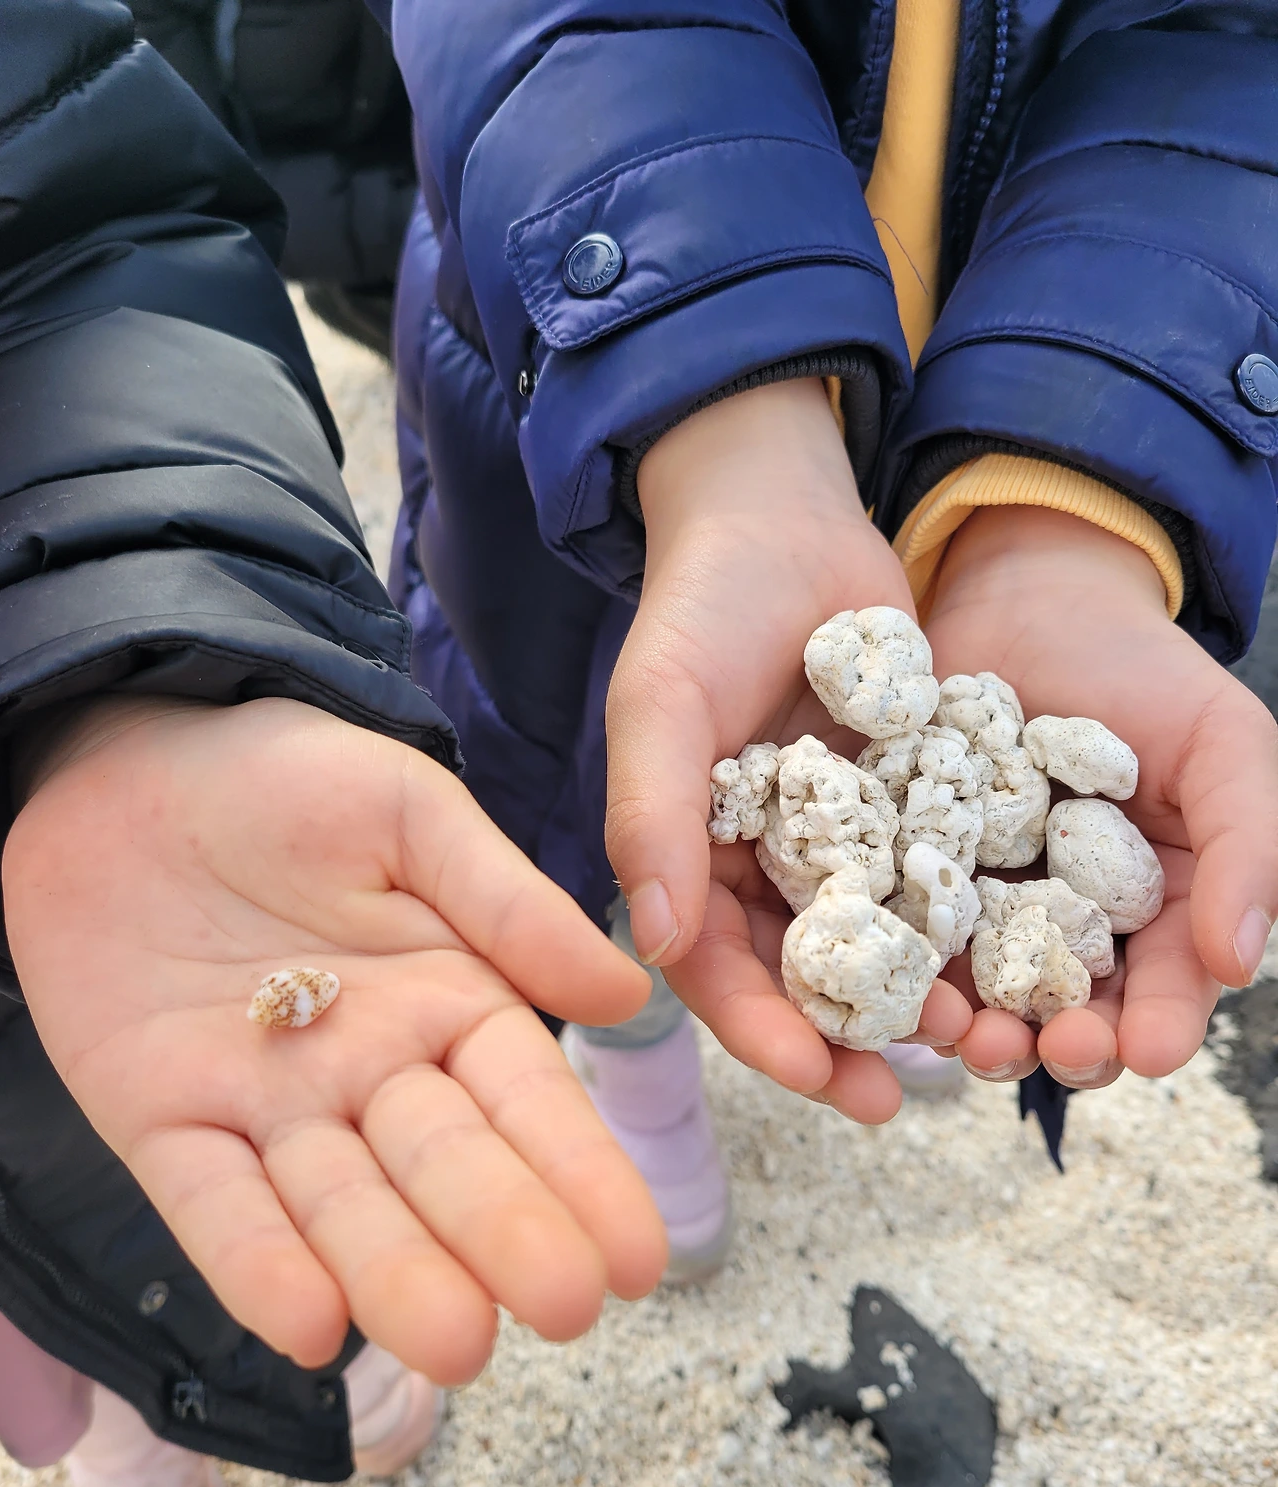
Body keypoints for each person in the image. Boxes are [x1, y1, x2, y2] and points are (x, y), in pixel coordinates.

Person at [380, 0, 1278, 1250]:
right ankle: (629, 1051)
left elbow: (1228, 49)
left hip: (1001, 364)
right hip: (599, 360)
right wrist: (719, 433)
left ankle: (893, 945)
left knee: (685, 842)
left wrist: (1078, 490)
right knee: (576, 823)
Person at [0, 0, 664, 1487]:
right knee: (49, 1298)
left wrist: (117, 678)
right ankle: (126, 1424)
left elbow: (74, 228)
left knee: (277, 1207)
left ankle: (249, 1369)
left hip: (80, 766)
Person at [124, 0, 417, 358]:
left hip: (441, 138)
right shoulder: (137, 26)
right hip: (375, 224)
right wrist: (402, 218)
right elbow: (208, 190)